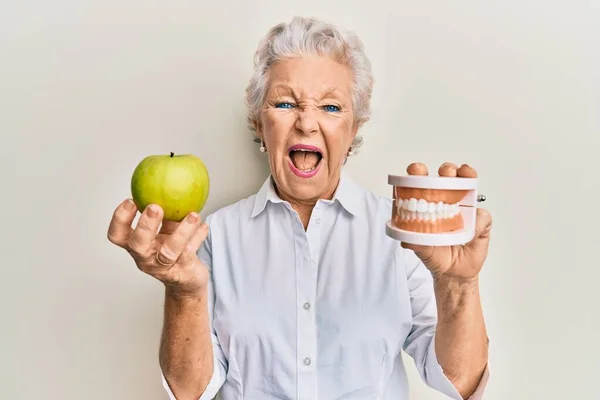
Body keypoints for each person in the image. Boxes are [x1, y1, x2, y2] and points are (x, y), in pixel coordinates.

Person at [107, 16, 491, 400]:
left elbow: (457, 381)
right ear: (260, 123)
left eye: (331, 107)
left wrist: (459, 285)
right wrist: (184, 292)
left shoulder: (402, 236)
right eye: (285, 102)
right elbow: (189, 392)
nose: (307, 123)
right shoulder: (215, 236)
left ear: (354, 128)